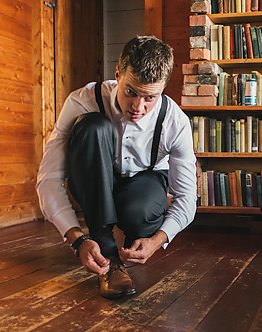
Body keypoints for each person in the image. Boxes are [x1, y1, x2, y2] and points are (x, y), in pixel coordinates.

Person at [36, 36, 197, 299]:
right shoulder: (82, 100)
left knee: (141, 212)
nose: (138, 107)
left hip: (145, 181)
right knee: (92, 126)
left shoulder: (175, 121)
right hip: (92, 180)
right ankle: (106, 251)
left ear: (163, 89)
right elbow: (49, 179)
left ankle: (132, 240)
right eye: (130, 92)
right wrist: (77, 239)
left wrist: (159, 240)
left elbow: (187, 197)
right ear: (118, 74)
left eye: (150, 98)